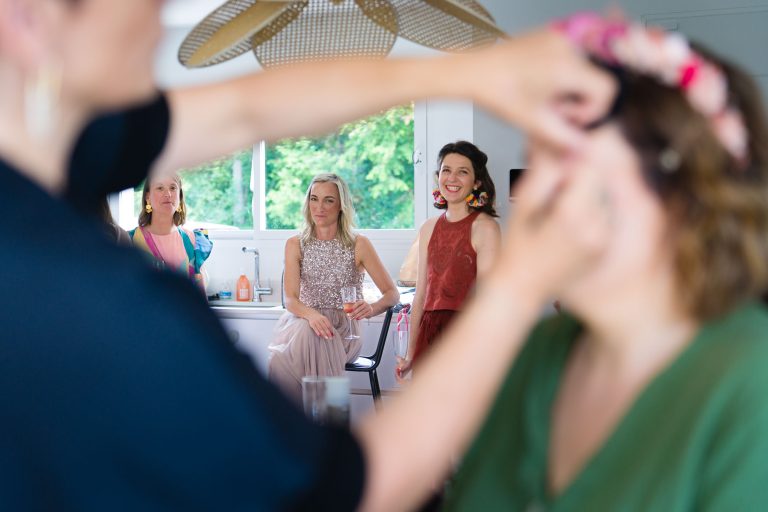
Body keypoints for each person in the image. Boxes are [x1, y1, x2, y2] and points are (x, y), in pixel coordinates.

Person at [0, 0, 615, 509]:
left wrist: (470, 74)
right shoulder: (106, 304)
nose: (160, 15)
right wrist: (525, 281)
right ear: (30, 17)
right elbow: (352, 491)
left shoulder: (59, 141)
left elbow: (246, 110)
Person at [444, 14, 768, 510]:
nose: (531, 202)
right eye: (537, 163)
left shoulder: (749, 381)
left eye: (569, 169)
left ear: (683, 197)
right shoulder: (545, 351)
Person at [268, 173, 399, 401]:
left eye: (328, 200)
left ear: (341, 206)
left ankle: (314, 419)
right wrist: (312, 316)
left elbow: (392, 294)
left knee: (310, 340)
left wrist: (371, 308)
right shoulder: (295, 244)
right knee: (304, 339)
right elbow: (290, 300)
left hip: (344, 331)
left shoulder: (359, 244)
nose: (319, 207)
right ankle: (317, 418)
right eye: (314, 199)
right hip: (303, 323)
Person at [397, 141, 501, 379]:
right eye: (446, 170)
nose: (452, 178)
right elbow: (421, 296)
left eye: (462, 171)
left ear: (476, 182)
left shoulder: (486, 228)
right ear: (438, 177)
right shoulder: (428, 228)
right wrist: (411, 354)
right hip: (428, 334)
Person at [128, 174, 212, 289]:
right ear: (148, 197)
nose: (168, 194)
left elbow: (200, 291)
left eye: (173, 188)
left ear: (180, 196)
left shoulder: (193, 240)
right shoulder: (129, 240)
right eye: (160, 188)